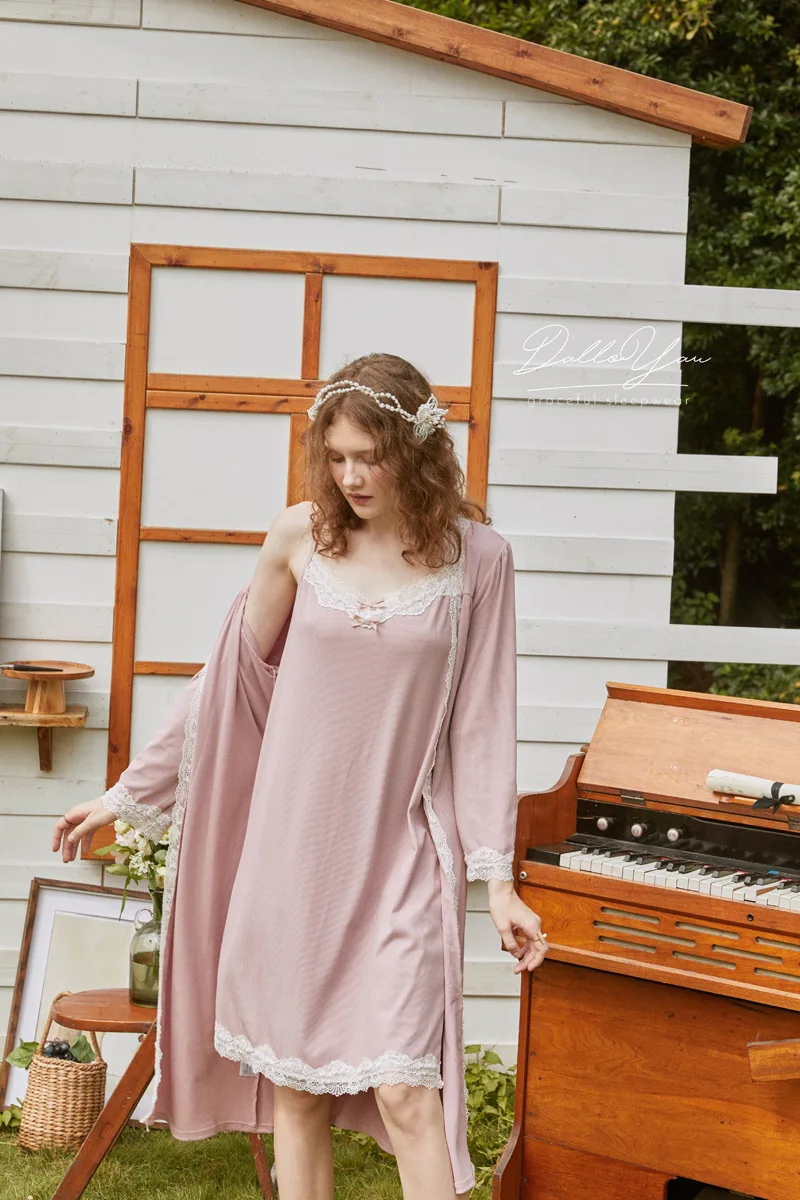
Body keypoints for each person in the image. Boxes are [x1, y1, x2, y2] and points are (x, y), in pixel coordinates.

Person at [52, 352, 548, 1200]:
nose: (351, 477)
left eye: (371, 457)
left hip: (400, 858)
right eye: (338, 456)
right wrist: (128, 796)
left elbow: (482, 726)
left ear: (418, 450)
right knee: (298, 1091)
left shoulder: (480, 561)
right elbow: (225, 684)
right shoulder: (299, 538)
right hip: (290, 860)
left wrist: (498, 883)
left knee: (408, 1091)